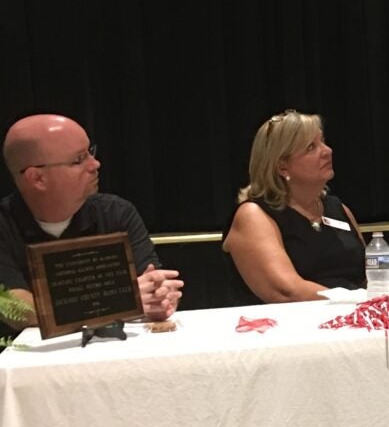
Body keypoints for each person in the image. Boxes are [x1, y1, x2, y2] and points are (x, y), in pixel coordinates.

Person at [0, 114, 182, 332]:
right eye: (79, 159)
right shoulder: (4, 224)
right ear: (37, 178)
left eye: (90, 152)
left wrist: (161, 299)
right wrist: (119, 301)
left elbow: (152, 286)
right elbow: (13, 308)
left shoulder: (117, 213)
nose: (95, 164)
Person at [223, 109, 365, 304]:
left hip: (356, 319)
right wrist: (357, 301)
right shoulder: (254, 215)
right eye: (311, 147)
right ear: (282, 167)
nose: (327, 151)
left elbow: (372, 276)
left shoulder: (338, 208)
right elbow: (286, 291)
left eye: (323, 142)